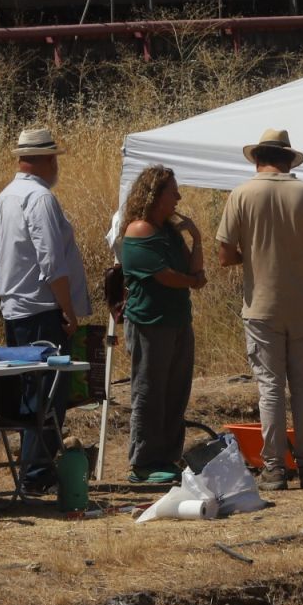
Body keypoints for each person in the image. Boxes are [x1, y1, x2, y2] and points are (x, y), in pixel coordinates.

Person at [217, 128, 303, 491]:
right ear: (288, 160)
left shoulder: (242, 194)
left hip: (262, 306)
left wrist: (253, 255)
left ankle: (274, 469)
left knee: (271, 388)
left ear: (258, 160)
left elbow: (224, 254)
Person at [0, 126, 90, 496]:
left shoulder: (5, 197)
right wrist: (67, 309)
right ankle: (36, 474)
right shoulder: (40, 198)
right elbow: (52, 261)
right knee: (48, 395)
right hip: (42, 309)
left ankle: (35, 470)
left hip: (17, 308)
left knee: (33, 392)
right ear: (48, 160)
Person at [120, 165, 207, 486]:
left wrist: (197, 238)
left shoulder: (169, 231)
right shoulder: (139, 230)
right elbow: (165, 276)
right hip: (149, 323)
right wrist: (192, 281)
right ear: (155, 195)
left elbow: (192, 269)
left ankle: (167, 456)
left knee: (176, 391)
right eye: (173, 192)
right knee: (150, 391)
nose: (178, 198)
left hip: (178, 320)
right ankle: (143, 462)